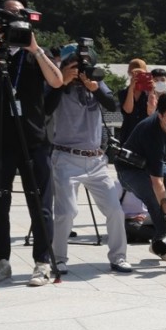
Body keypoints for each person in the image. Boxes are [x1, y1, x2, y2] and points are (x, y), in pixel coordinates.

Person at [0, 0, 64, 286]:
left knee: (41, 204)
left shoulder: (35, 53)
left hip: (34, 138)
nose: (14, 19)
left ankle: (42, 262)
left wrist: (34, 49)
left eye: (19, 14)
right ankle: (1, 260)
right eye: (8, 14)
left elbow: (57, 81)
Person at [44, 52, 132, 275]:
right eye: (74, 68)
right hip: (66, 157)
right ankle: (59, 259)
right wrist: (61, 81)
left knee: (115, 210)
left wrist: (94, 87)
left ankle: (118, 257)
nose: (79, 73)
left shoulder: (97, 84)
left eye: (83, 68)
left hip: (96, 160)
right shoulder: (57, 85)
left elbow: (112, 105)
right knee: (66, 212)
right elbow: (45, 108)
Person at [115, 94, 166, 266]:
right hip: (130, 169)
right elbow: (157, 183)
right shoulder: (150, 132)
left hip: (157, 164)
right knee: (155, 201)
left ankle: (163, 242)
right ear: (160, 115)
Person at [116, 58, 156, 144]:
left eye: (141, 74)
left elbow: (151, 112)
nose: (138, 76)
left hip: (146, 133)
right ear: (130, 74)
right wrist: (131, 89)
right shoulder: (123, 92)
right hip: (128, 134)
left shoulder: (148, 93)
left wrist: (151, 91)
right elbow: (128, 110)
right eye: (135, 74)